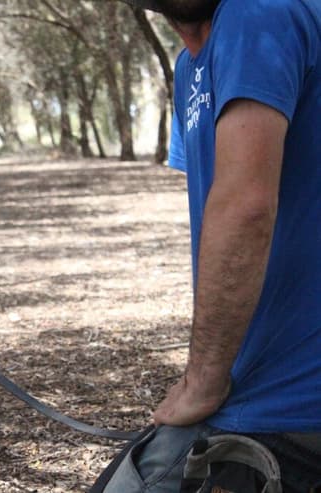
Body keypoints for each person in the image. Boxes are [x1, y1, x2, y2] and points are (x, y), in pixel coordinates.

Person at [98, 1, 321, 491]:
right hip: (255, 388)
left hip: (290, 407)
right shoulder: (188, 68)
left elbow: (244, 207)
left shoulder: (259, 12)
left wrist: (202, 381)